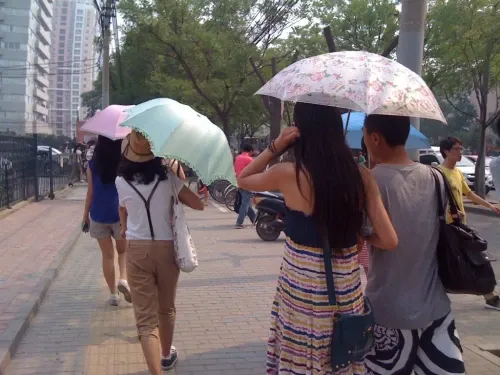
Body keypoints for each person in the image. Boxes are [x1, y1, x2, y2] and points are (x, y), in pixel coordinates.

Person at [237, 103, 398, 374]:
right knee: (341, 354)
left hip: (300, 289)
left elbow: (243, 179)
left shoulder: (289, 173)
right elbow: (390, 240)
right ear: (337, 129)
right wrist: (360, 235)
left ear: (301, 130)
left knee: (301, 354)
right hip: (345, 290)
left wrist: (275, 146)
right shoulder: (361, 176)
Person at [362, 114, 466, 375]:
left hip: (388, 313)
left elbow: (356, 246)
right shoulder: (435, 176)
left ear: (374, 138)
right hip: (436, 310)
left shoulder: (369, 183)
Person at [115, 131, 205, 375]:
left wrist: (125, 227)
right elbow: (199, 204)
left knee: (145, 321)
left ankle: (156, 371)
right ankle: (166, 355)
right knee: (166, 308)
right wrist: (183, 179)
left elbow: (123, 209)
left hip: (137, 251)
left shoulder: (121, 182)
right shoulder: (169, 179)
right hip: (167, 250)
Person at [439, 136, 500, 311]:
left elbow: (470, 195)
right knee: (469, 260)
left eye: (461, 149)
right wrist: (448, 212)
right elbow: (435, 200)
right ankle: (490, 296)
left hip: (460, 226)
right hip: (447, 228)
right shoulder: (439, 173)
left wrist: (490, 205)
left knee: (475, 259)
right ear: (446, 151)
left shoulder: (457, 173)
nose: (460, 153)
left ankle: (490, 296)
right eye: (457, 149)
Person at [82, 135, 131, 306]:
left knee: (107, 256)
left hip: (98, 215)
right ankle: (124, 279)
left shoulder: (93, 165)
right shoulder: (124, 164)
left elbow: (90, 194)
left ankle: (113, 295)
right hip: (120, 215)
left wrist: (85, 218)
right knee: (123, 252)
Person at [234, 143, 257, 229]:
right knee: (245, 204)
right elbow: (255, 170)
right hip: (247, 183)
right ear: (250, 151)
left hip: (239, 182)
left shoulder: (237, 158)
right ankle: (239, 222)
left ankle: (255, 220)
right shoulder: (249, 159)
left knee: (246, 202)